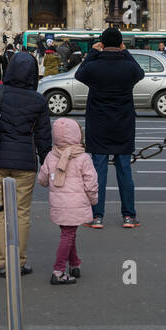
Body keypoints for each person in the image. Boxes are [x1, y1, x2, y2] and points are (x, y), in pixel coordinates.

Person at [0, 50, 53, 276]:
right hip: (24, 163)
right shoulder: (38, 99)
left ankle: (1, 263)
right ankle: (18, 261)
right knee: (21, 213)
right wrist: (46, 160)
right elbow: (43, 136)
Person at [76, 28, 145, 229]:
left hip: (98, 123)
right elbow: (139, 73)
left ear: (102, 43)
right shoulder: (128, 67)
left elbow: (80, 74)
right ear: (121, 44)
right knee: (124, 170)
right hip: (123, 124)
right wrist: (125, 52)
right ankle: (129, 216)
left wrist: (93, 53)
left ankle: (97, 216)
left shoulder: (94, 66)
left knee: (98, 171)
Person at [37, 116, 98, 285]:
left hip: (58, 204)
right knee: (68, 235)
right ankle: (58, 271)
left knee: (69, 233)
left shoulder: (51, 155)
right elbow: (91, 183)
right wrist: (93, 200)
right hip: (76, 204)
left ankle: (75, 264)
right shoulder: (83, 158)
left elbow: (42, 179)